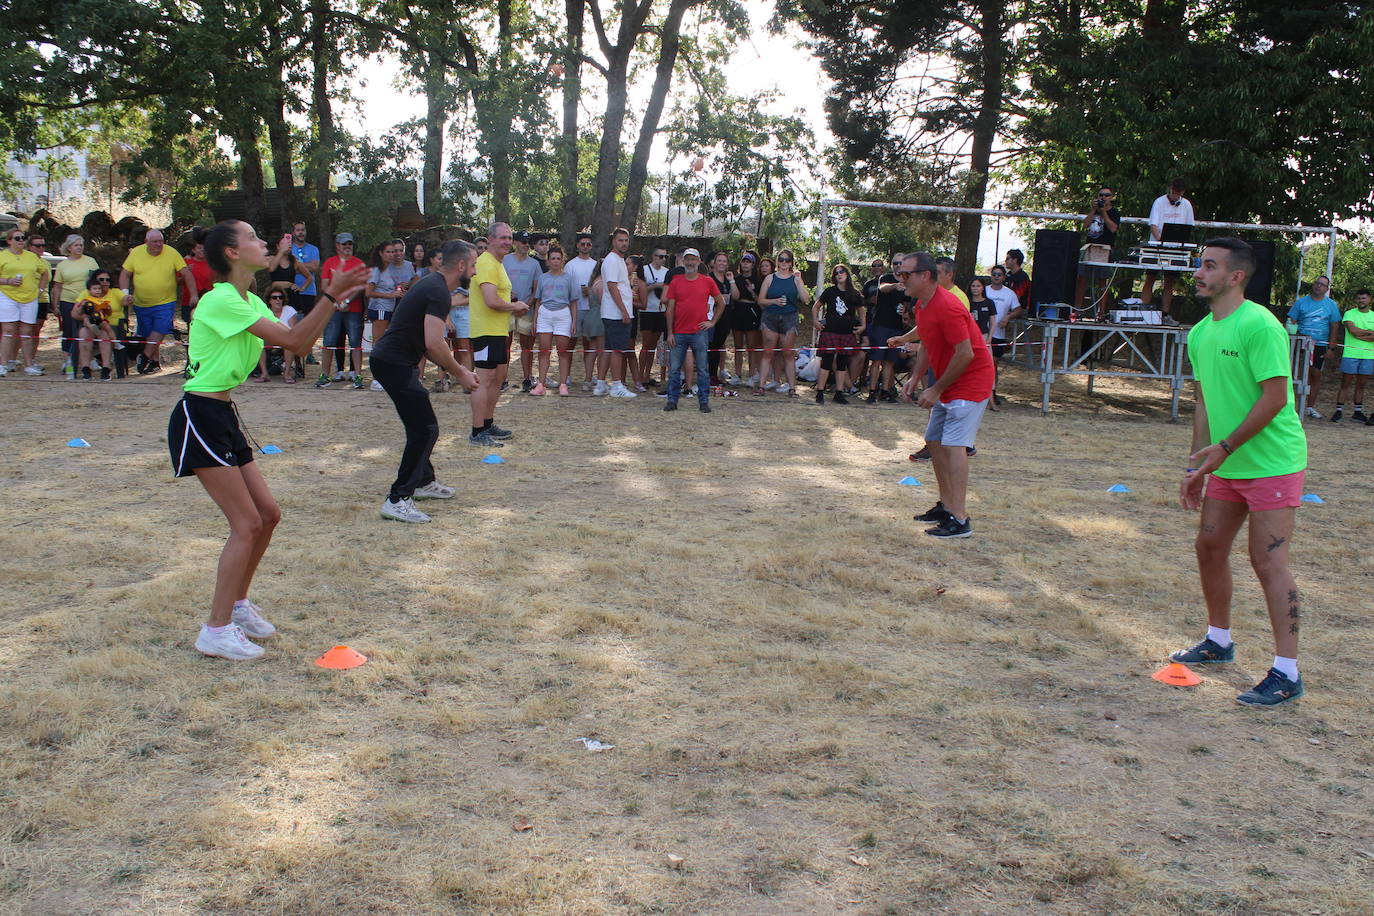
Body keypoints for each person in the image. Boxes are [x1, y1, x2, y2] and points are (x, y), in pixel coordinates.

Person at [169, 220, 366, 660]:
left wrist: (331, 300)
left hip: (222, 414)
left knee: (268, 515)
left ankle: (236, 607)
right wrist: (332, 296)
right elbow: (296, 338)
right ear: (233, 254)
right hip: (200, 415)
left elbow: (300, 345)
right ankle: (215, 630)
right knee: (246, 524)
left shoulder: (249, 299)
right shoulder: (221, 299)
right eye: (254, 239)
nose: (265, 243)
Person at [1171, 237, 1308, 706]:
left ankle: (1286, 672)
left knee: (1268, 562)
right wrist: (1196, 466)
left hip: (1272, 463)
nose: (1198, 272)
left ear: (1235, 277)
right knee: (1208, 546)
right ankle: (1218, 641)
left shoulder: (1260, 326)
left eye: (1209, 266)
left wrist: (1225, 449)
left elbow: (1275, 398)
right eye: (1198, 264)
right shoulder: (1201, 333)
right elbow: (1206, 401)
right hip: (1228, 462)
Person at [371, 239, 483, 523]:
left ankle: (423, 482)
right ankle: (398, 499)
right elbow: (433, 342)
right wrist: (460, 372)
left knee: (420, 425)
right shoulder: (436, 290)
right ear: (460, 266)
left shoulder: (434, 285)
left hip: (395, 362)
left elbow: (429, 340)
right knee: (425, 429)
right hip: (393, 363)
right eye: (473, 265)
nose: (475, 272)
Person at [887, 252, 995, 539]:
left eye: (906, 274)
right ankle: (947, 506)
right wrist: (915, 377)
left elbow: (966, 353)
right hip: (951, 381)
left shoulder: (949, 306)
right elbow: (926, 337)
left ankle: (959, 520)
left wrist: (936, 388)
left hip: (971, 380)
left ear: (926, 275)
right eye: (899, 273)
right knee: (934, 440)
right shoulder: (923, 304)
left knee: (954, 444)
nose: (901, 278)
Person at [469, 222, 530, 446]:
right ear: (491, 239)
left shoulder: (497, 263)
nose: (506, 242)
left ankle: (487, 424)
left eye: (509, 238)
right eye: (502, 237)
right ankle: (477, 432)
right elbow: (490, 300)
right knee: (483, 381)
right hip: (485, 331)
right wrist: (514, 306)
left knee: (497, 378)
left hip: (498, 331)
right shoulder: (486, 262)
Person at [119, 228, 198, 374]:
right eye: (155, 242)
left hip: (166, 301)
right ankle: (154, 363)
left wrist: (193, 294)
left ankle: (144, 356)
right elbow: (125, 274)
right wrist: (124, 294)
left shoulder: (171, 253)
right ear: (146, 242)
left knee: (161, 328)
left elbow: (186, 274)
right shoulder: (136, 253)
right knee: (149, 334)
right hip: (142, 302)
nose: (159, 244)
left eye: (161, 241)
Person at [663, 247, 727, 413]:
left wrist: (712, 322)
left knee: (703, 369)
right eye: (688, 259)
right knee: (675, 369)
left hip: (699, 332)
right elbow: (670, 308)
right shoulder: (676, 281)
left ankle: (704, 402)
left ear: (699, 262)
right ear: (683, 261)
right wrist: (670, 332)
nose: (690, 262)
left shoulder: (707, 281)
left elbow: (721, 302)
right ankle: (672, 400)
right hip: (679, 332)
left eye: (693, 259)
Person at [1284, 276, 1341, 419]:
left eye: (1322, 285)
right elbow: (1292, 321)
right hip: (1300, 343)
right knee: (1293, 374)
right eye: (1317, 283)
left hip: (1320, 345)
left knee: (1315, 374)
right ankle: (1289, 405)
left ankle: (1309, 407)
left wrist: (1331, 348)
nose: (1318, 286)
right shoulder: (1301, 302)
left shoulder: (1331, 305)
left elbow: (1335, 326)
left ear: (1327, 289)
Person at [755, 249, 810, 396]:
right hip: (770, 317)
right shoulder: (770, 278)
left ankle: (792, 389)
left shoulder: (795, 278)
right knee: (768, 353)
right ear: (777, 261)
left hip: (789, 318)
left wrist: (799, 283)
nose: (784, 263)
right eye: (781, 259)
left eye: (787, 260)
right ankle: (761, 387)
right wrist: (774, 301)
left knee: (788, 354)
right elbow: (760, 300)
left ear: (791, 262)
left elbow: (806, 299)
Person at [316, 232, 366, 389]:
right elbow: (324, 285)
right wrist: (337, 301)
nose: (347, 247)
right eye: (344, 244)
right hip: (333, 308)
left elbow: (360, 287)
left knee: (355, 343)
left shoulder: (359, 263)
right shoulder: (330, 262)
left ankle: (358, 375)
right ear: (337, 246)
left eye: (350, 244)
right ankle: (325, 375)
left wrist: (347, 300)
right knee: (329, 342)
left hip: (354, 308)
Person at [1141, 179, 1195, 323]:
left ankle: (1165, 314)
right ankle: (1143, 312)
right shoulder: (1159, 202)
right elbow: (1153, 224)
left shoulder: (1187, 205)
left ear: (1182, 193)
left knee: (1169, 281)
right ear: (1170, 189)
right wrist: (1160, 240)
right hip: (1157, 246)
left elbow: (1189, 227)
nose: (1175, 195)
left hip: (1176, 248)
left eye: (1178, 193)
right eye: (1173, 192)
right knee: (1150, 277)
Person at [365, 238, 416, 389]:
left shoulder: (389, 269)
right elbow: (368, 292)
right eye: (388, 252)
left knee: (387, 343)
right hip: (380, 308)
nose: (392, 254)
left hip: (389, 308)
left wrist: (400, 288)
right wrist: (391, 295)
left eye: (393, 251)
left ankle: (385, 375)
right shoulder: (376, 270)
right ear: (381, 253)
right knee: (379, 343)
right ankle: (376, 379)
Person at [0, 228, 51, 376]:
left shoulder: (31, 256)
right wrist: (8, 281)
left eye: (23, 238)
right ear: (9, 241)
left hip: (30, 297)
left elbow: (45, 273)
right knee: (8, 330)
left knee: (27, 331)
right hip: (7, 296)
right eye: (17, 238)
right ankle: (3, 364)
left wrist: (40, 290)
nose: (21, 240)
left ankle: (29, 365)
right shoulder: (2, 256)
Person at [813, 263, 864, 404]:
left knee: (842, 364)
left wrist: (863, 325)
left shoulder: (855, 294)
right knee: (827, 362)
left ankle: (839, 393)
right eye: (836, 273)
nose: (839, 274)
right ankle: (820, 392)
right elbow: (816, 306)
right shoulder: (830, 291)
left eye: (841, 272)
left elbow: (861, 310)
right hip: (830, 332)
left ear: (847, 274)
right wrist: (816, 321)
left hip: (846, 333)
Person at [595, 227, 637, 398]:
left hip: (614, 312)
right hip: (615, 313)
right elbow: (612, 287)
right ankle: (617, 385)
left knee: (611, 348)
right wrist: (624, 311)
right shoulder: (612, 260)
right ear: (613, 241)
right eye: (620, 240)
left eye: (626, 240)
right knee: (618, 350)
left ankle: (600, 384)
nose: (624, 243)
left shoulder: (619, 260)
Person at [531, 245, 577, 396]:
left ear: (562, 260)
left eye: (558, 258)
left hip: (563, 314)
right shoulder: (543, 278)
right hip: (545, 314)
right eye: (553, 259)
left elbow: (573, 302)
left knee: (562, 351)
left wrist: (574, 321)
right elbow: (538, 301)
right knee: (544, 350)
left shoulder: (569, 278)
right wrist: (535, 320)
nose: (556, 261)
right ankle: (541, 384)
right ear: (548, 261)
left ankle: (563, 384)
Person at [50, 234, 98, 376]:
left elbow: (97, 281)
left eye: (81, 245)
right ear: (69, 247)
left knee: (89, 329)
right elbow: (57, 286)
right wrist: (55, 304)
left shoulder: (91, 261)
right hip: (68, 302)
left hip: (88, 302)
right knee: (70, 331)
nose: (79, 248)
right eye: (76, 245)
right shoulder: (62, 265)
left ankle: (90, 359)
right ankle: (69, 361)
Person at [503, 230, 543, 392]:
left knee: (527, 345)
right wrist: (510, 303)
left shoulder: (534, 264)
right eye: (522, 241)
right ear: (514, 243)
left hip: (526, 310)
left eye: (527, 242)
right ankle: (503, 378)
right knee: (505, 345)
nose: (525, 245)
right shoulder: (504, 260)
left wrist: (525, 305)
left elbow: (536, 289)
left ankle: (527, 378)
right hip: (506, 310)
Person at [861, 256, 906, 403]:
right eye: (895, 263)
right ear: (891, 265)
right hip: (881, 325)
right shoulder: (885, 278)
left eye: (901, 263)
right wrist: (895, 286)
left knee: (890, 362)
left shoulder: (909, 281)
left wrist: (906, 311)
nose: (898, 265)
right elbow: (882, 288)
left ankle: (885, 391)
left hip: (897, 327)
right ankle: (872, 392)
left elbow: (910, 304)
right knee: (876, 360)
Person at [1074, 187, 1120, 316]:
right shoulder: (1094, 211)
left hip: (1105, 249)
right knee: (1082, 278)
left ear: (1111, 197)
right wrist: (1094, 210)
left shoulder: (1114, 213)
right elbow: (1085, 225)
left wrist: (1104, 212)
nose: (1103, 198)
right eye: (1101, 195)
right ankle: (1077, 309)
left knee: (1102, 280)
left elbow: (1113, 229)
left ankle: (1101, 311)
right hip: (1090, 246)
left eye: (1107, 195)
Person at [1331, 288, 1374, 423]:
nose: (1361, 301)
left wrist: (1361, 334)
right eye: (1359, 298)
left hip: (1368, 356)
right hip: (1351, 354)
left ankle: (1357, 412)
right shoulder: (1349, 314)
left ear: (1369, 299)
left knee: (1361, 385)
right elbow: (1352, 330)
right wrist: (1368, 332)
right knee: (1345, 383)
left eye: (1364, 298)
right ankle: (1338, 411)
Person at [72, 269, 121, 380]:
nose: (104, 282)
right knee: (85, 333)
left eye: (107, 280)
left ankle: (106, 368)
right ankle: (86, 368)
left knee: (103, 334)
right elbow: (74, 313)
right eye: (101, 280)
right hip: (89, 324)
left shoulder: (114, 292)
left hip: (108, 324)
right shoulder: (86, 294)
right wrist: (85, 316)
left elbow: (116, 307)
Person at [566, 233, 600, 389]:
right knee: (570, 344)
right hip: (575, 309)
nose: (585, 247)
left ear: (591, 246)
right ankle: (566, 375)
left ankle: (588, 375)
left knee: (590, 345)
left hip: (591, 310)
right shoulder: (570, 265)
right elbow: (565, 286)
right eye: (583, 244)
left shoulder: (596, 265)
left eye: (588, 244)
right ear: (577, 246)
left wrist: (590, 291)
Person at [985, 265, 1021, 406]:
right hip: (983, 332)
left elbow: (1018, 309)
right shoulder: (984, 290)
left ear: (1004, 277)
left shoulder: (1009, 294)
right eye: (994, 274)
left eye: (999, 274)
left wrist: (1008, 317)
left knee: (993, 364)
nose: (996, 276)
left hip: (998, 335)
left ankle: (992, 392)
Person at [636, 246, 670, 387]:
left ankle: (647, 375)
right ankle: (640, 376)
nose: (663, 259)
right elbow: (638, 290)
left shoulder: (667, 272)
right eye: (660, 256)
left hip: (660, 311)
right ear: (654, 257)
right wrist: (655, 286)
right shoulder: (644, 270)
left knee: (653, 346)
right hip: (647, 310)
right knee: (646, 344)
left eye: (665, 257)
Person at [705, 250, 740, 385]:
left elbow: (736, 296)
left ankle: (714, 375)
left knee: (718, 346)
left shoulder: (728, 279)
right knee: (711, 347)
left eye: (724, 261)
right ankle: (710, 376)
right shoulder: (709, 278)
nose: (721, 263)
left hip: (725, 317)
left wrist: (731, 281)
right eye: (719, 260)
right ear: (714, 262)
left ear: (727, 264)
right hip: (711, 317)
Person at [732, 252, 763, 385]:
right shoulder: (736, 279)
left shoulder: (758, 280)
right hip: (738, 311)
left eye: (748, 262)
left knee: (751, 345)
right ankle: (737, 375)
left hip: (752, 312)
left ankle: (751, 375)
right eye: (743, 261)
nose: (745, 264)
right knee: (738, 346)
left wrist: (752, 292)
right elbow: (734, 297)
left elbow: (759, 300)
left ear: (752, 264)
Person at [182, 228, 216, 328]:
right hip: (189, 300)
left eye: (204, 248)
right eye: (199, 248)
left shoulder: (213, 263)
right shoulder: (186, 262)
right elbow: (177, 282)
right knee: (191, 325)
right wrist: (186, 272)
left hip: (208, 299)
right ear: (193, 249)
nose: (202, 251)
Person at [289, 221, 322, 314]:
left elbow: (314, 267)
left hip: (309, 291)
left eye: (303, 230)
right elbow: (286, 268)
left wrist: (295, 267)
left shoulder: (313, 249)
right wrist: (306, 266)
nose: (301, 232)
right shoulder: (289, 249)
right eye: (298, 230)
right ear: (293, 232)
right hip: (291, 290)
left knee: (308, 321)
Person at [1004, 249, 1031, 313]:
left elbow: (1016, 297)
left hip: (1021, 311)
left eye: (1007, 258)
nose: (1005, 261)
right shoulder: (1008, 275)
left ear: (1015, 260)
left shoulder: (1022, 277)